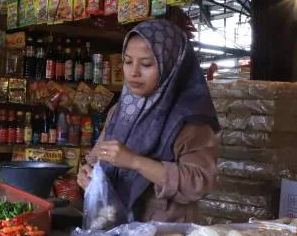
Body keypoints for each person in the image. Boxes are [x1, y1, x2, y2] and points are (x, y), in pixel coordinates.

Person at [77, 19, 219, 223]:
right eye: (127, 62)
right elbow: (101, 155)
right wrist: (88, 172)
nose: (134, 72)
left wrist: (135, 162)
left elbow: (199, 182)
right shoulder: (122, 109)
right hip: (113, 224)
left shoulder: (191, 119)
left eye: (146, 64)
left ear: (171, 64)